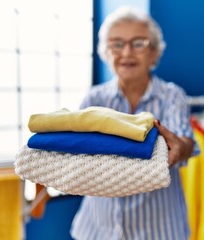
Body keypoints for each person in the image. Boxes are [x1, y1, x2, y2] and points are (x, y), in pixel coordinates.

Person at [70, 6, 195, 240]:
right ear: (106, 52)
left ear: (155, 53)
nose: (126, 52)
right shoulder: (94, 99)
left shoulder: (172, 96)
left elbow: (184, 141)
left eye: (138, 44)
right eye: (117, 44)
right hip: (97, 230)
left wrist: (179, 147)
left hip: (159, 231)